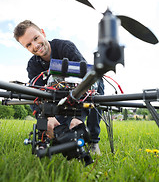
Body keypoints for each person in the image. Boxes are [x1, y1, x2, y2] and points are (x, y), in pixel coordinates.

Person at [13, 20, 104, 154]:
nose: (35, 45)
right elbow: (34, 94)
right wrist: (47, 117)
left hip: (79, 94)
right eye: (29, 45)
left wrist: (79, 117)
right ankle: (61, 137)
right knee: (60, 129)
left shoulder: (65, 47)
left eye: (36, 38)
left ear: (43, 33)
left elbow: (86, 80)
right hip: (57, 101)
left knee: (98, 82)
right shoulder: (33, 65)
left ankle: (93, 141)